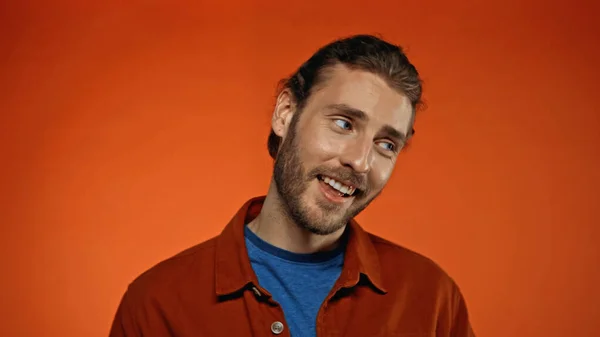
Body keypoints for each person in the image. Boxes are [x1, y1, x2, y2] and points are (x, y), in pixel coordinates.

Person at [108, 34, 476, 337]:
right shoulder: (157, 303)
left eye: (386, 144)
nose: (361, 162)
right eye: (344, 124)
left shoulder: (433, 299)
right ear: (286, 114)